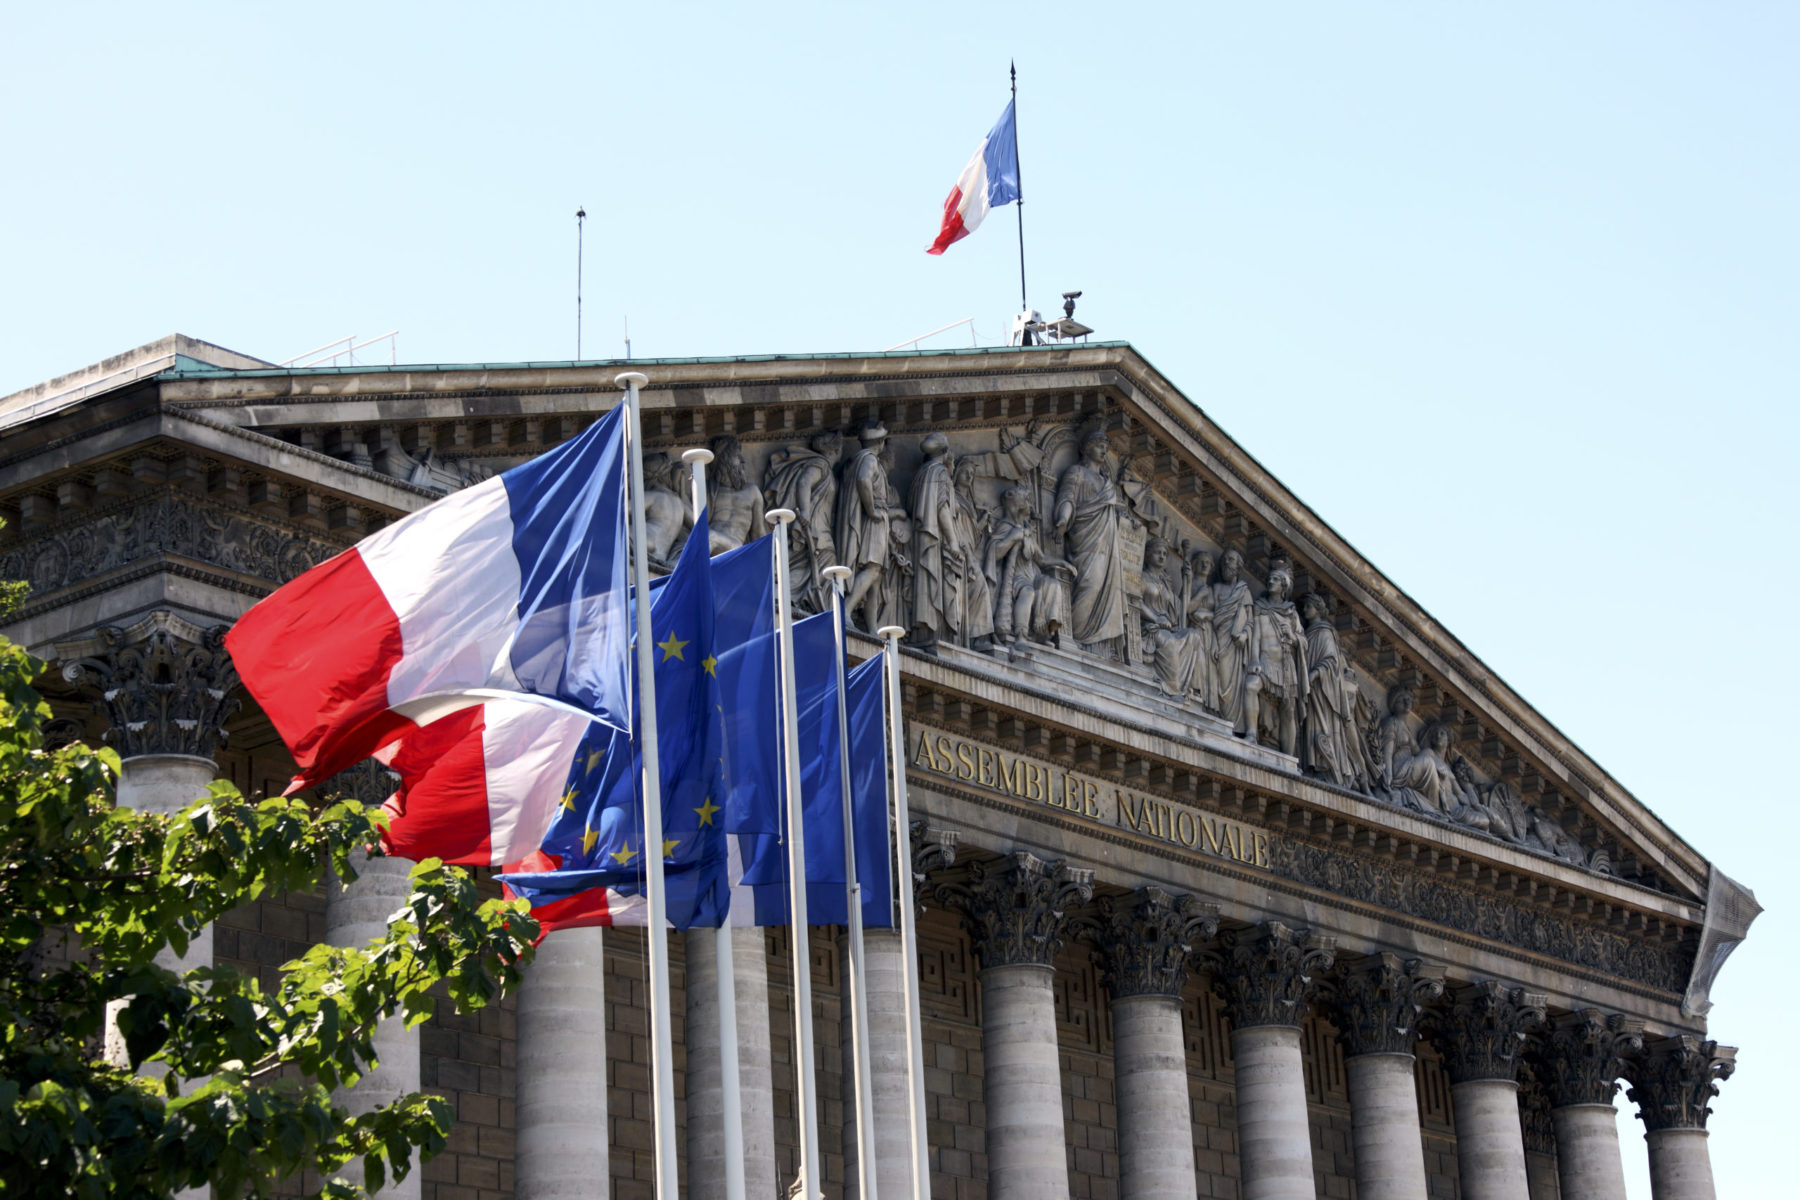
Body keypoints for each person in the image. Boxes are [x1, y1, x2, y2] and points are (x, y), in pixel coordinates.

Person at [908, 433, 992, 652]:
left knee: (931, 584)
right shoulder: (940, 474)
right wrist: (954, 542)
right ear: (945, 455)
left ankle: (928, 631)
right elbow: (942, 508)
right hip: (939, 543)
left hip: (924, 541)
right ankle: (939, 633)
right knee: (941, 585)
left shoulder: (922, 475)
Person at [1051, 429, 1130, 656]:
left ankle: (1100, 646)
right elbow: (1067, 499)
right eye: (1098, 444)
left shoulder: (1107, 483)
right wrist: (1063, 521)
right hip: (1084, 540)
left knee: (1110, 589)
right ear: (1086, 448)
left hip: (1108, 546)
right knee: (1090, 584)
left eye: (1106, 445)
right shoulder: (1076, 473)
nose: (1104, 449)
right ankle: (1080, 637)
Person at [835, 423, 905, 632]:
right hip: (872, 522)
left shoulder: (861, 460)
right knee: (873, 568)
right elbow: (863, 481)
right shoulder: (869, 459)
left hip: (878, 522)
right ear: (880, 443)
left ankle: (872, 628)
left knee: (877, 576)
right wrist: (872, 509)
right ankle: (845, 610)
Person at [763, 430, 842, 613]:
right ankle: (829, 611)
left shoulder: (827, 470)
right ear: (833, 450)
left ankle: (813, 603)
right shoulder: (820, 464)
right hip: (815, 528)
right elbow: (804, 483)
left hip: (820, 528)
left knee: (813, 566)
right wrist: (804, 512)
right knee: (825, 563)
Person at [1300, 592, 1373, 790]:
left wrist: (1315, 673)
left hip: (1323, 691)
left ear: (1318, 608)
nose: (1305, 609)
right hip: (1311, 688)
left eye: (1309, 606)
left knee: (1324, 728)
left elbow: (1331, 661)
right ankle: (1314, 763)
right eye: (1304, 606)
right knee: (1312, 725)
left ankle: (1327, 767)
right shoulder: (1309, 632)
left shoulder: (1324, 632)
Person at [984, 485, 1069, 646]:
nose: (1030, 505)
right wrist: (1012, 538)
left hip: (1033, 575)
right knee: (1028, 592)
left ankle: (1043, 633)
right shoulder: (1006, 527)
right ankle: (1021, 635)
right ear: (1018, 504)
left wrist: (1063, 562)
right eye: (1027, 501)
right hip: (1015, 578)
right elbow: (995, 553)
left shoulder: (1027, 531)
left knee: (1052, 584)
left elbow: (1042, 559)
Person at [1138, 538, 1215, 702]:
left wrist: (1186, 580)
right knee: (1168, 641)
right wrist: (1156, 618)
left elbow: (1179, 609)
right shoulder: (1143, 577)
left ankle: (1186, 688)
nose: (1162, 556)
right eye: (1158, 553)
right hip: (1149, 627)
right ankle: (1172, 689)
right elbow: (1136, 601)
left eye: (1165, 554)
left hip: (1167, 627)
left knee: (1193, 635)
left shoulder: (1165, 583)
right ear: (1148, 555)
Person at [1245, 560, 1308, 755]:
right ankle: (1251, 734)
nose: (1269, 581)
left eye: (1275, 579)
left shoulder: (1291, 613)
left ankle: (1289, 757)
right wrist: (1254, 659)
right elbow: (1255, 637)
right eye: (1269, 578)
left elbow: (1304, 642)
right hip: (1264, 660)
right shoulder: (1260, 607)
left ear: (1283, 586)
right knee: (1250, 685)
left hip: (1285, 664)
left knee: (1288, 709)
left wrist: (1292, 636)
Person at [1208, 549, 1256, 735]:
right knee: (1220, 680)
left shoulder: (1244, 591)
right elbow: (1211, 614)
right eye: (1225, 560)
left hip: (1236, 645)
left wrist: (1245, 634)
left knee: (1235, 684)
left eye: (1232, 560)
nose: (1227, 563)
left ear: (1238, 566)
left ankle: (1234, 727)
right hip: (1219, 639)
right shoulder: (1216, 589)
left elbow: (1250, 621)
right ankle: (1219, 719)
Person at [707, 435, 766, 553]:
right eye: (737, 456)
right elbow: (698, 523)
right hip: (712, 548)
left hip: (736, 549)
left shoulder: (752, 491)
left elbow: (758, 532)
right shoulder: (711, 488)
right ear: (724, 459)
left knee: (709, 536)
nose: (743, 460)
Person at [640, 452, 690, 573]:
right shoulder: (679, 504)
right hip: (662, 553)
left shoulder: (653, 496)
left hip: (646, 542)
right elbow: (700, 525)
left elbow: (621, 512)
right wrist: (681, 492)